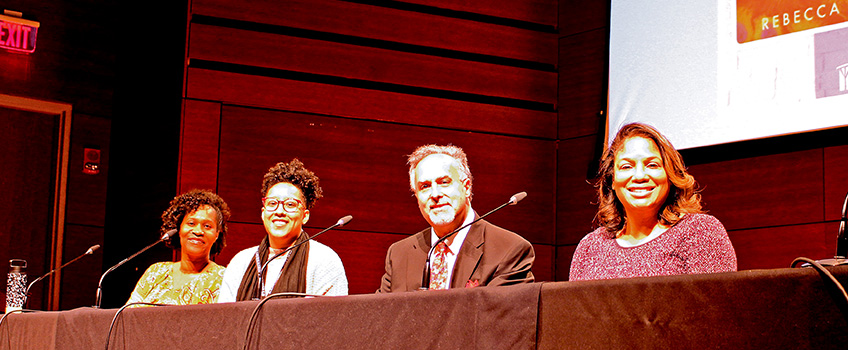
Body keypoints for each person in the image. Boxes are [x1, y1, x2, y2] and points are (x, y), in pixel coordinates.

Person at [569, 123, 737, 281]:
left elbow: (716, 308)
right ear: (612, 180)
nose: (640, 176)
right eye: (627, 167)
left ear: (669, 175)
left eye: (652, 165)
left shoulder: (700, 232)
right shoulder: (589, 247)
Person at [378, 144, 535, 292]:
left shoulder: (509, 250)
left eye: (444, 182)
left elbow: (501, 317)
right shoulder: (399, 254)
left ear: (466, 187)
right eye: (425, 186)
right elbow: (379, 315)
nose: (435, 194)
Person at [217, 159, 347, 301]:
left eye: (290, 204)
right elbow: (226, 318)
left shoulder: (323, 260)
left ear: (305, 216)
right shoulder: (241, 262)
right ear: (263, 212)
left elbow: (331, 320)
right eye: (272, 203)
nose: (279, 211)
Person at [127, 189, 230, 305]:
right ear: (178, 229)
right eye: (191, 223)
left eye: (207, 226)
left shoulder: (223, 279)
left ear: (217, 234)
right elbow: (127, 317)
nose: (198, 231)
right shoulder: (156, 273)